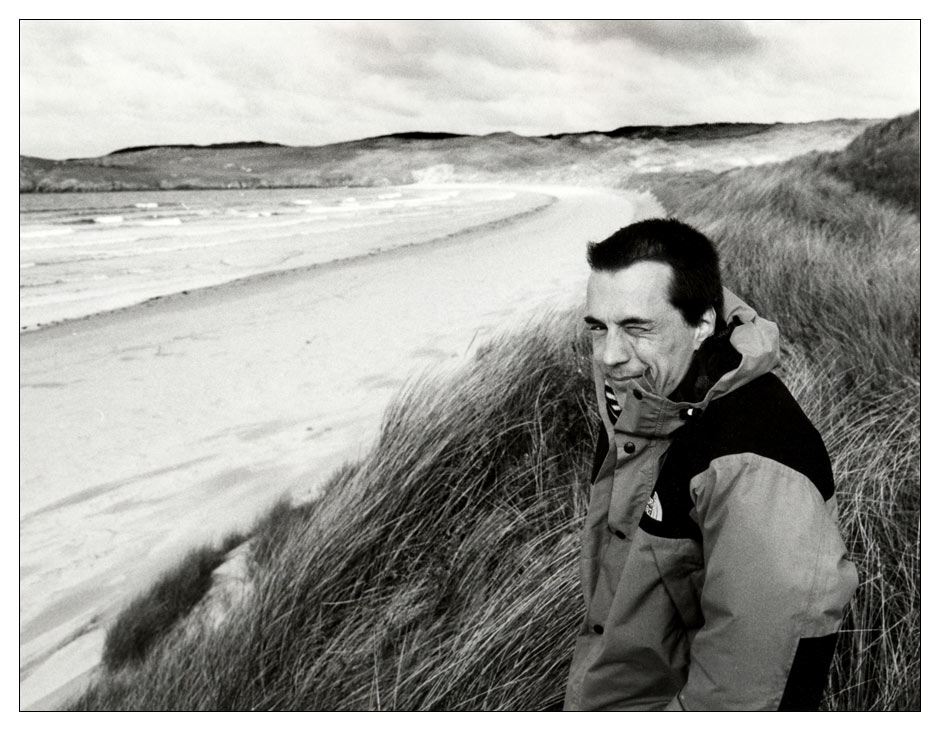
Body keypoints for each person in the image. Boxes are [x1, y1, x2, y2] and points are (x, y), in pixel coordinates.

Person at [564, 218, 858, 711]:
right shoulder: (640, 396)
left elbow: (746, 694)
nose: (609, 356)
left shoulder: (754, 464)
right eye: (598, 327)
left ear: (701, 322)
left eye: (637, 328)